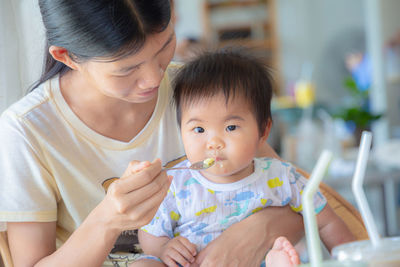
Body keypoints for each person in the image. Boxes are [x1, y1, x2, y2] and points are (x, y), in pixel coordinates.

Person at [0, 1, 306, 266]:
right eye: (126, 69)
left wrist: (257, 230)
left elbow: (296, 200)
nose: (154, 78)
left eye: (164, 48)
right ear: (67, 56)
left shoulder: (199, 93)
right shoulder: (27, 130)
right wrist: (107, 220)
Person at [133, 48, 356, 267]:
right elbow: (149, 233)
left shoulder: (280, 177)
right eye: (199, 130)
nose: (214, 142)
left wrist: (355, 259)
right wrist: (163, 248)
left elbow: (327, 222)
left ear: (263, 131)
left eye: (231, 127)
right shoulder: (176, 182)